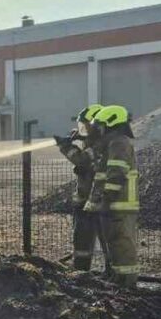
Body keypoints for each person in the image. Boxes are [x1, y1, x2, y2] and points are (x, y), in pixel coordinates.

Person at [84, 105, 139, 287]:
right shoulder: (112, 143)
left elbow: (116, 173)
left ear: (110, 124)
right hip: (115, 203)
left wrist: (106, 199)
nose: (97, 130)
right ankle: (118, 279)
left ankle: (127, 284)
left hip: (120, 203)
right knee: (115, 244)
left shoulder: (119, 143)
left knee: (122, 244)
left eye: (100, 126)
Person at [55, 104, 102, 270]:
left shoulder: (100, 144)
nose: (84, 128)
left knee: (102, 243)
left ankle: (110, 276)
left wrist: (65, 146)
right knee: (81, 244)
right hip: (86, 203)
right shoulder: (92, 142)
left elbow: (81, 160)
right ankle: (82, 274)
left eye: (87, 124)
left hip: (94, 203)